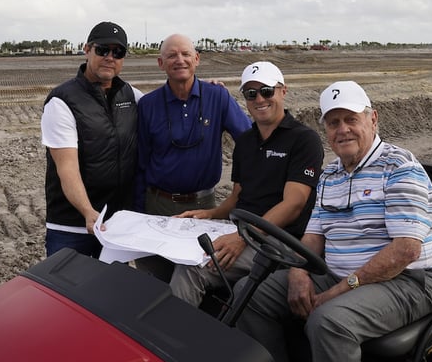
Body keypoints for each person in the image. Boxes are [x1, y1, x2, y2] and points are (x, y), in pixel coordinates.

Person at [236, 80, 432, 362]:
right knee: (249, 293)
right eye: (333, 123)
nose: (342, 130)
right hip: (339, 273)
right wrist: (298, 272)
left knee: (328, 321)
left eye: (351, 119)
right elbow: (312, 237)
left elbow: (406, 251)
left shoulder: (399, 167)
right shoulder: (330, 175)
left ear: (373, 119)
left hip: (407, 281)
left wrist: (340, 290)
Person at [169, 61, 324, 308]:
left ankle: (174, 342)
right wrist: (209, 214)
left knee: (192, 269)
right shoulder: (245, 142)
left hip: (279, 243)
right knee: (172, 253)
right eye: (251, 93)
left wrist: (243, 236)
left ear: (283, 91)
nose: (259, 99)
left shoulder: (304, 140)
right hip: (245, 234)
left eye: (266, 91)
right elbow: (237, 196)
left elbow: (294, 203)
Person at [134, 34, 251, 279]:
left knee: (199, 276)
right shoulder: (148, 105)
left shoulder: (217, 97)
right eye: (171, 55)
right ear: (160, 63)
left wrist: (242, 187)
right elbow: (140, 162)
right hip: (159, 206)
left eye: (186, 54)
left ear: (196, 59)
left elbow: (250, 140)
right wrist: (138, 213)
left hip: (203, 206)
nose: (180, 60)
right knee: (157, 277)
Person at [40, 21, 143, 258]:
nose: (110, 57)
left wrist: (207, 89)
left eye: (118, 52)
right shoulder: (62, 101)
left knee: (112, 292)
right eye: (102, 50)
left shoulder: (130, 94)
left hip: (115, 225)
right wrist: (87, 211)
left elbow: (164, 105)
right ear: (87, 49)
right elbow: (67, 169)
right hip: (72, 227)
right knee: (68, 292)